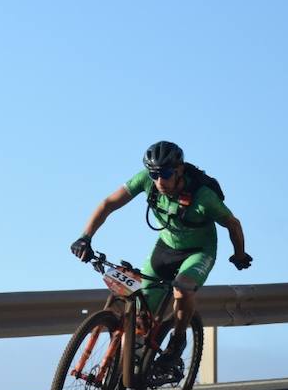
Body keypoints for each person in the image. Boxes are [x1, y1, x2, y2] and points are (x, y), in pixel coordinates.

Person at [70, 141, 251, 374]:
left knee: (182, 289)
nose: (159, 181)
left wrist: (239, 254)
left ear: (179, 170)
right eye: (154, 175)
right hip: (165, 248)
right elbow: (109, 204)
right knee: (140, 314)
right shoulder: (146, 180)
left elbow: (233, 224)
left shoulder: (203, 196)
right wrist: (85, 237)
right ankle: (130, 369)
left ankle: (177, 342)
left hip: (198, 251)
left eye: (165, 174)